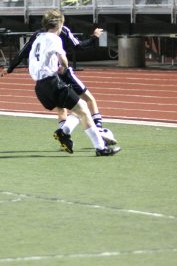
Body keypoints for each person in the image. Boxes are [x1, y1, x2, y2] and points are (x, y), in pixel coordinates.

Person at [2, 15, 117, 147]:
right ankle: (98, 131)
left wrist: (10, 68)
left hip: (42, 81)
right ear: (59, 24)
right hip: (59, 74)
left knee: (63, 109)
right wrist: (94, 37)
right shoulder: (59, 34)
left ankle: (65, 138)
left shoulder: (38, 35)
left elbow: (23, 52)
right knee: (88, 100)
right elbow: (77, 47)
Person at [27, 9, 120, 157]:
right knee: (84, 109)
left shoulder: (38, 38)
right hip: (52, 82)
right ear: (59, 25)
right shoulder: (54, 38)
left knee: (77, 110)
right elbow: (62, 57)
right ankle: (100, 148)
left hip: (39, 86)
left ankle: (64, 132)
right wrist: (63, 66)